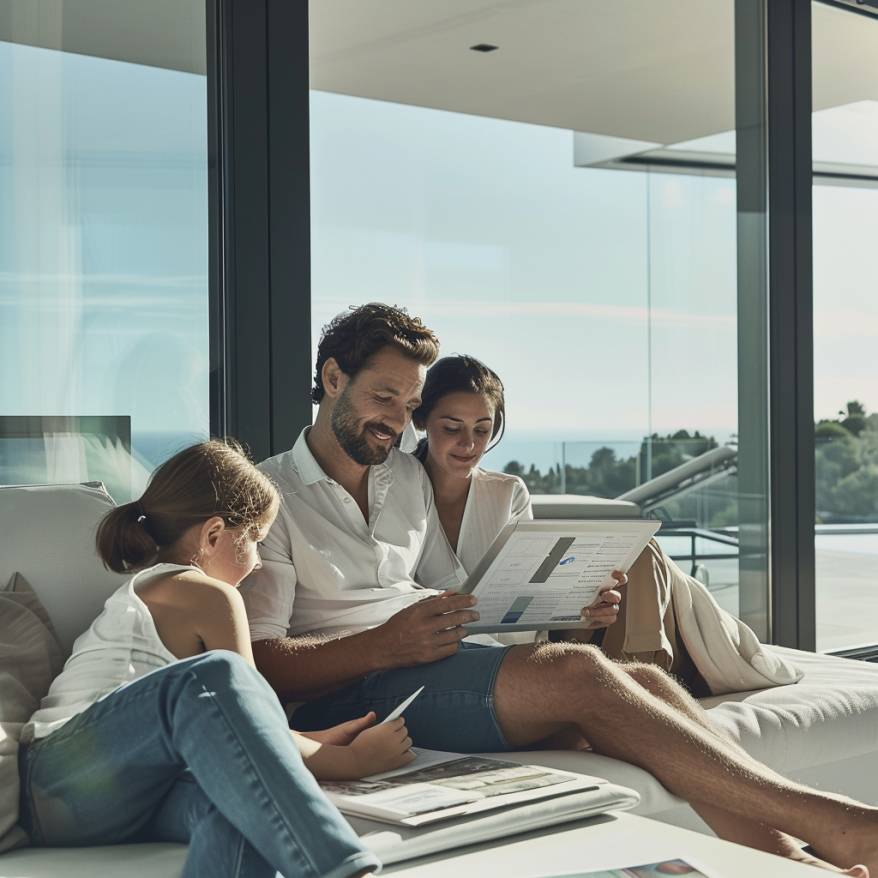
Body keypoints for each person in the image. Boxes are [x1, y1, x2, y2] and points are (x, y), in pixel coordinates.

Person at [241, 303, 875, 876]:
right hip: (349, 695)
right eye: (384, 398)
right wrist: (385, 645)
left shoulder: (405, 477)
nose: (397, 422)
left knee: (645, 682)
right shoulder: (268, 499)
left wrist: (560, 605)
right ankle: (842, 825)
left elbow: (458, 590)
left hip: (434, 665)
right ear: (331, 379)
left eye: (409, 409)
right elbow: (260, 663)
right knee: (575, 673)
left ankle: (791, 865)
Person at [19, 439, 414, 878]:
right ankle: (343, 868)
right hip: (62, 774)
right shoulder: (205, 595)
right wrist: (353, 761)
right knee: (215, 675)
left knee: (244, 809)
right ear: (212, 535)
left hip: (111, 795)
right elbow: (244, 705)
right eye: (256, 542)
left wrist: (319, 739)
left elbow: (247, 729)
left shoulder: (153, 591)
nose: (260, 562)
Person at [410, 353, 620, 640]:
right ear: (421, 419)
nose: (469, 443)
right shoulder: (395, 491)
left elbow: (532, 605)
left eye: (482, 430)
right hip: (436, 661)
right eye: (452, 428)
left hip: (516, 655)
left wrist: (586, 613)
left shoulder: (509, 493)